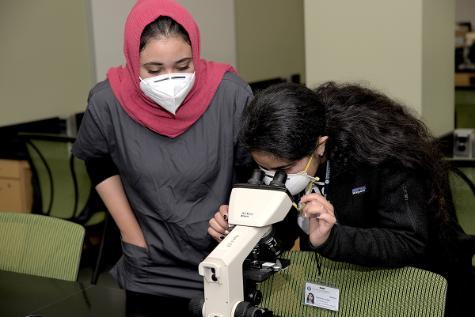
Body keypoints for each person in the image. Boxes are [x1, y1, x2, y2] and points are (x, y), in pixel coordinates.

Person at [208, 82, 473, 316]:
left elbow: (410, 241)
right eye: (265, 169)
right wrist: (244, 233)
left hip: (411, 284)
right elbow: (286, 233)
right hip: (337, 282)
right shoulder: (284, 153)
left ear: (320, 145)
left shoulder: (383, 157)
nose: (275, 179)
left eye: (284, 170)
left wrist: (333, 238)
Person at [72, 0, 253, 314]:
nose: (170, 79)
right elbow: (97, 160)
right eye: (154, 70)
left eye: (183, 66)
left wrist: (234, 212)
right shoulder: (108, 102)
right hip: (149, 265)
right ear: (132, 60)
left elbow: (251, 167)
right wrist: (131, 234)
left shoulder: (230, 95)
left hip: (220, 260)